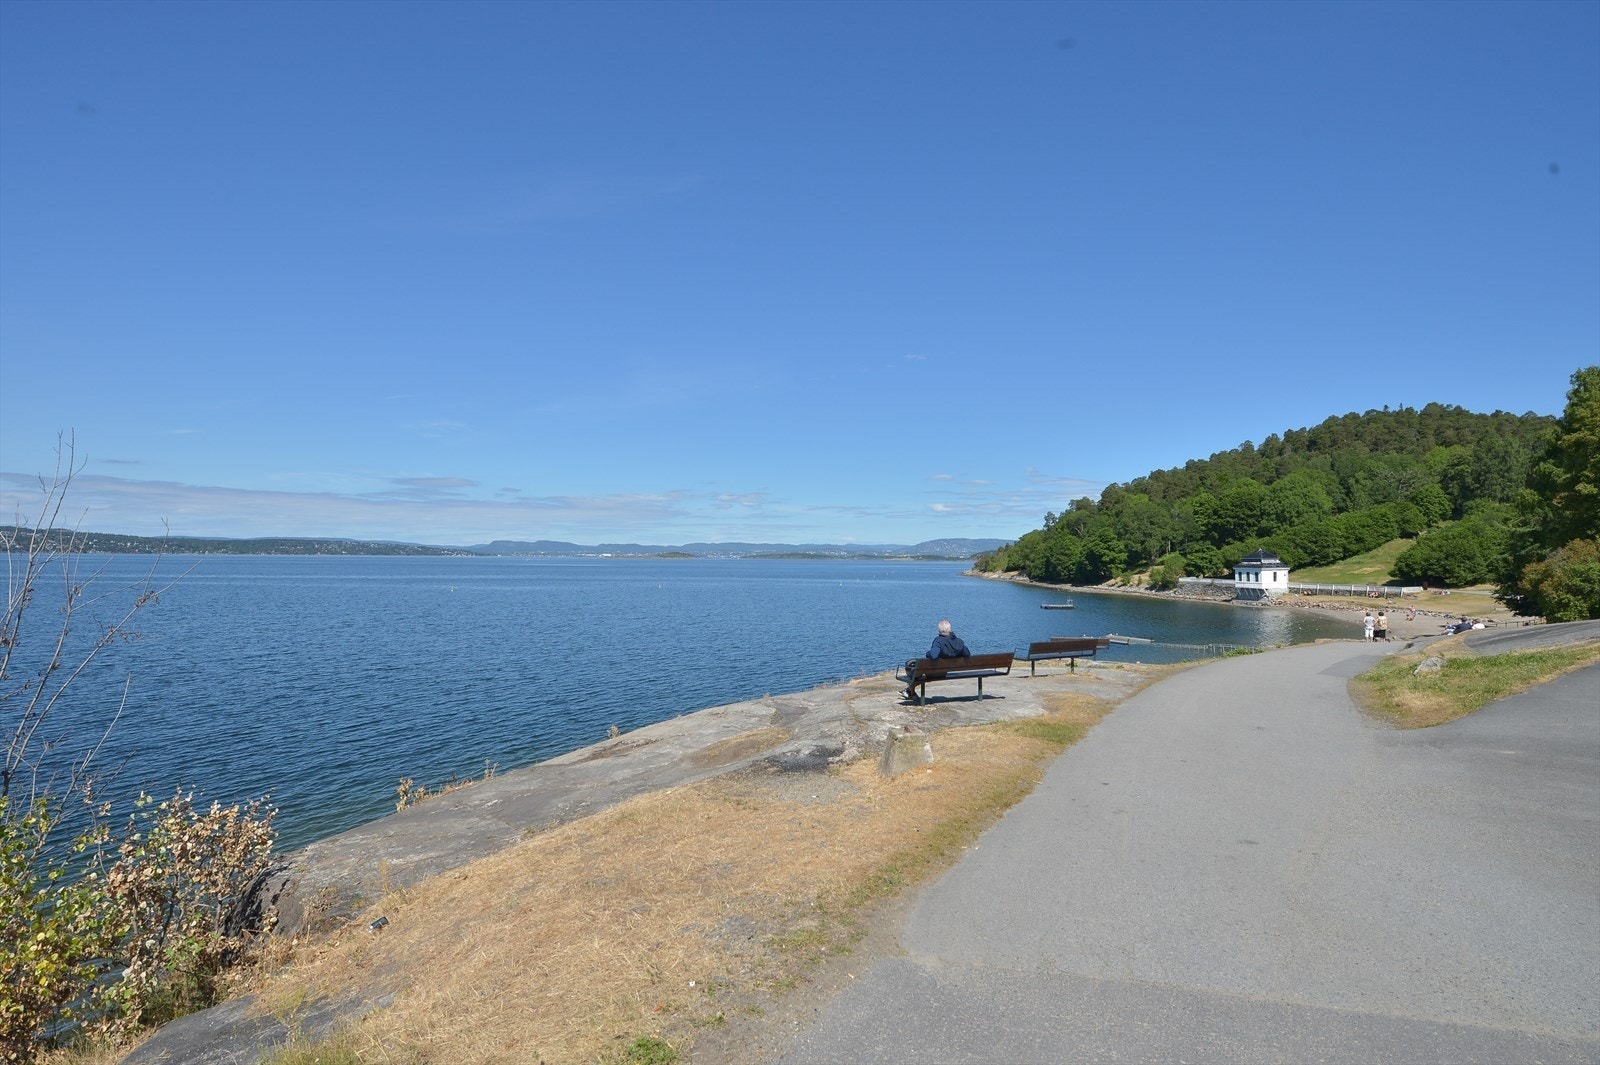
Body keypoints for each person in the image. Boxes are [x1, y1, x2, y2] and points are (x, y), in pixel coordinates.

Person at [904, 620, 970, 700]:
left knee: (917, 672)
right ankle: (909, 692)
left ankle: (910, 692)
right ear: (950, 629)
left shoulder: (938, 641)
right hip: (944, 671)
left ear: (939, 630)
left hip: (936, 672)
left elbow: (933, 655)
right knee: (921, 672)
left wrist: (928, 653)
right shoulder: (958, 642)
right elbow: (967, 654)